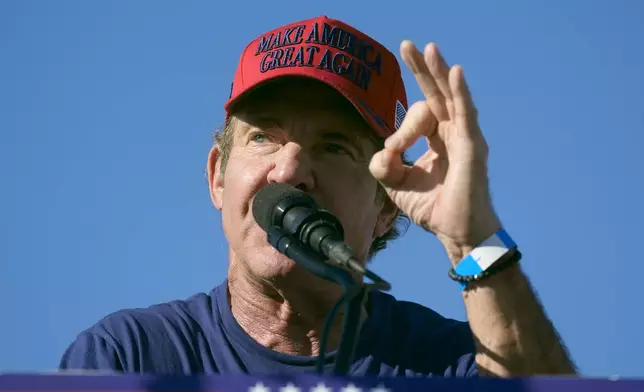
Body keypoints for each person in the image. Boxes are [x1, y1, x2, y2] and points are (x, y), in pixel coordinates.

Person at [59, 15, 576, 377]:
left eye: (333, 147)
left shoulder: (450, 364)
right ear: (218, 177)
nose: (290, 171)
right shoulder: (130, 356)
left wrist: (472, 237)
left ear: (384, 206)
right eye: (263, 137)